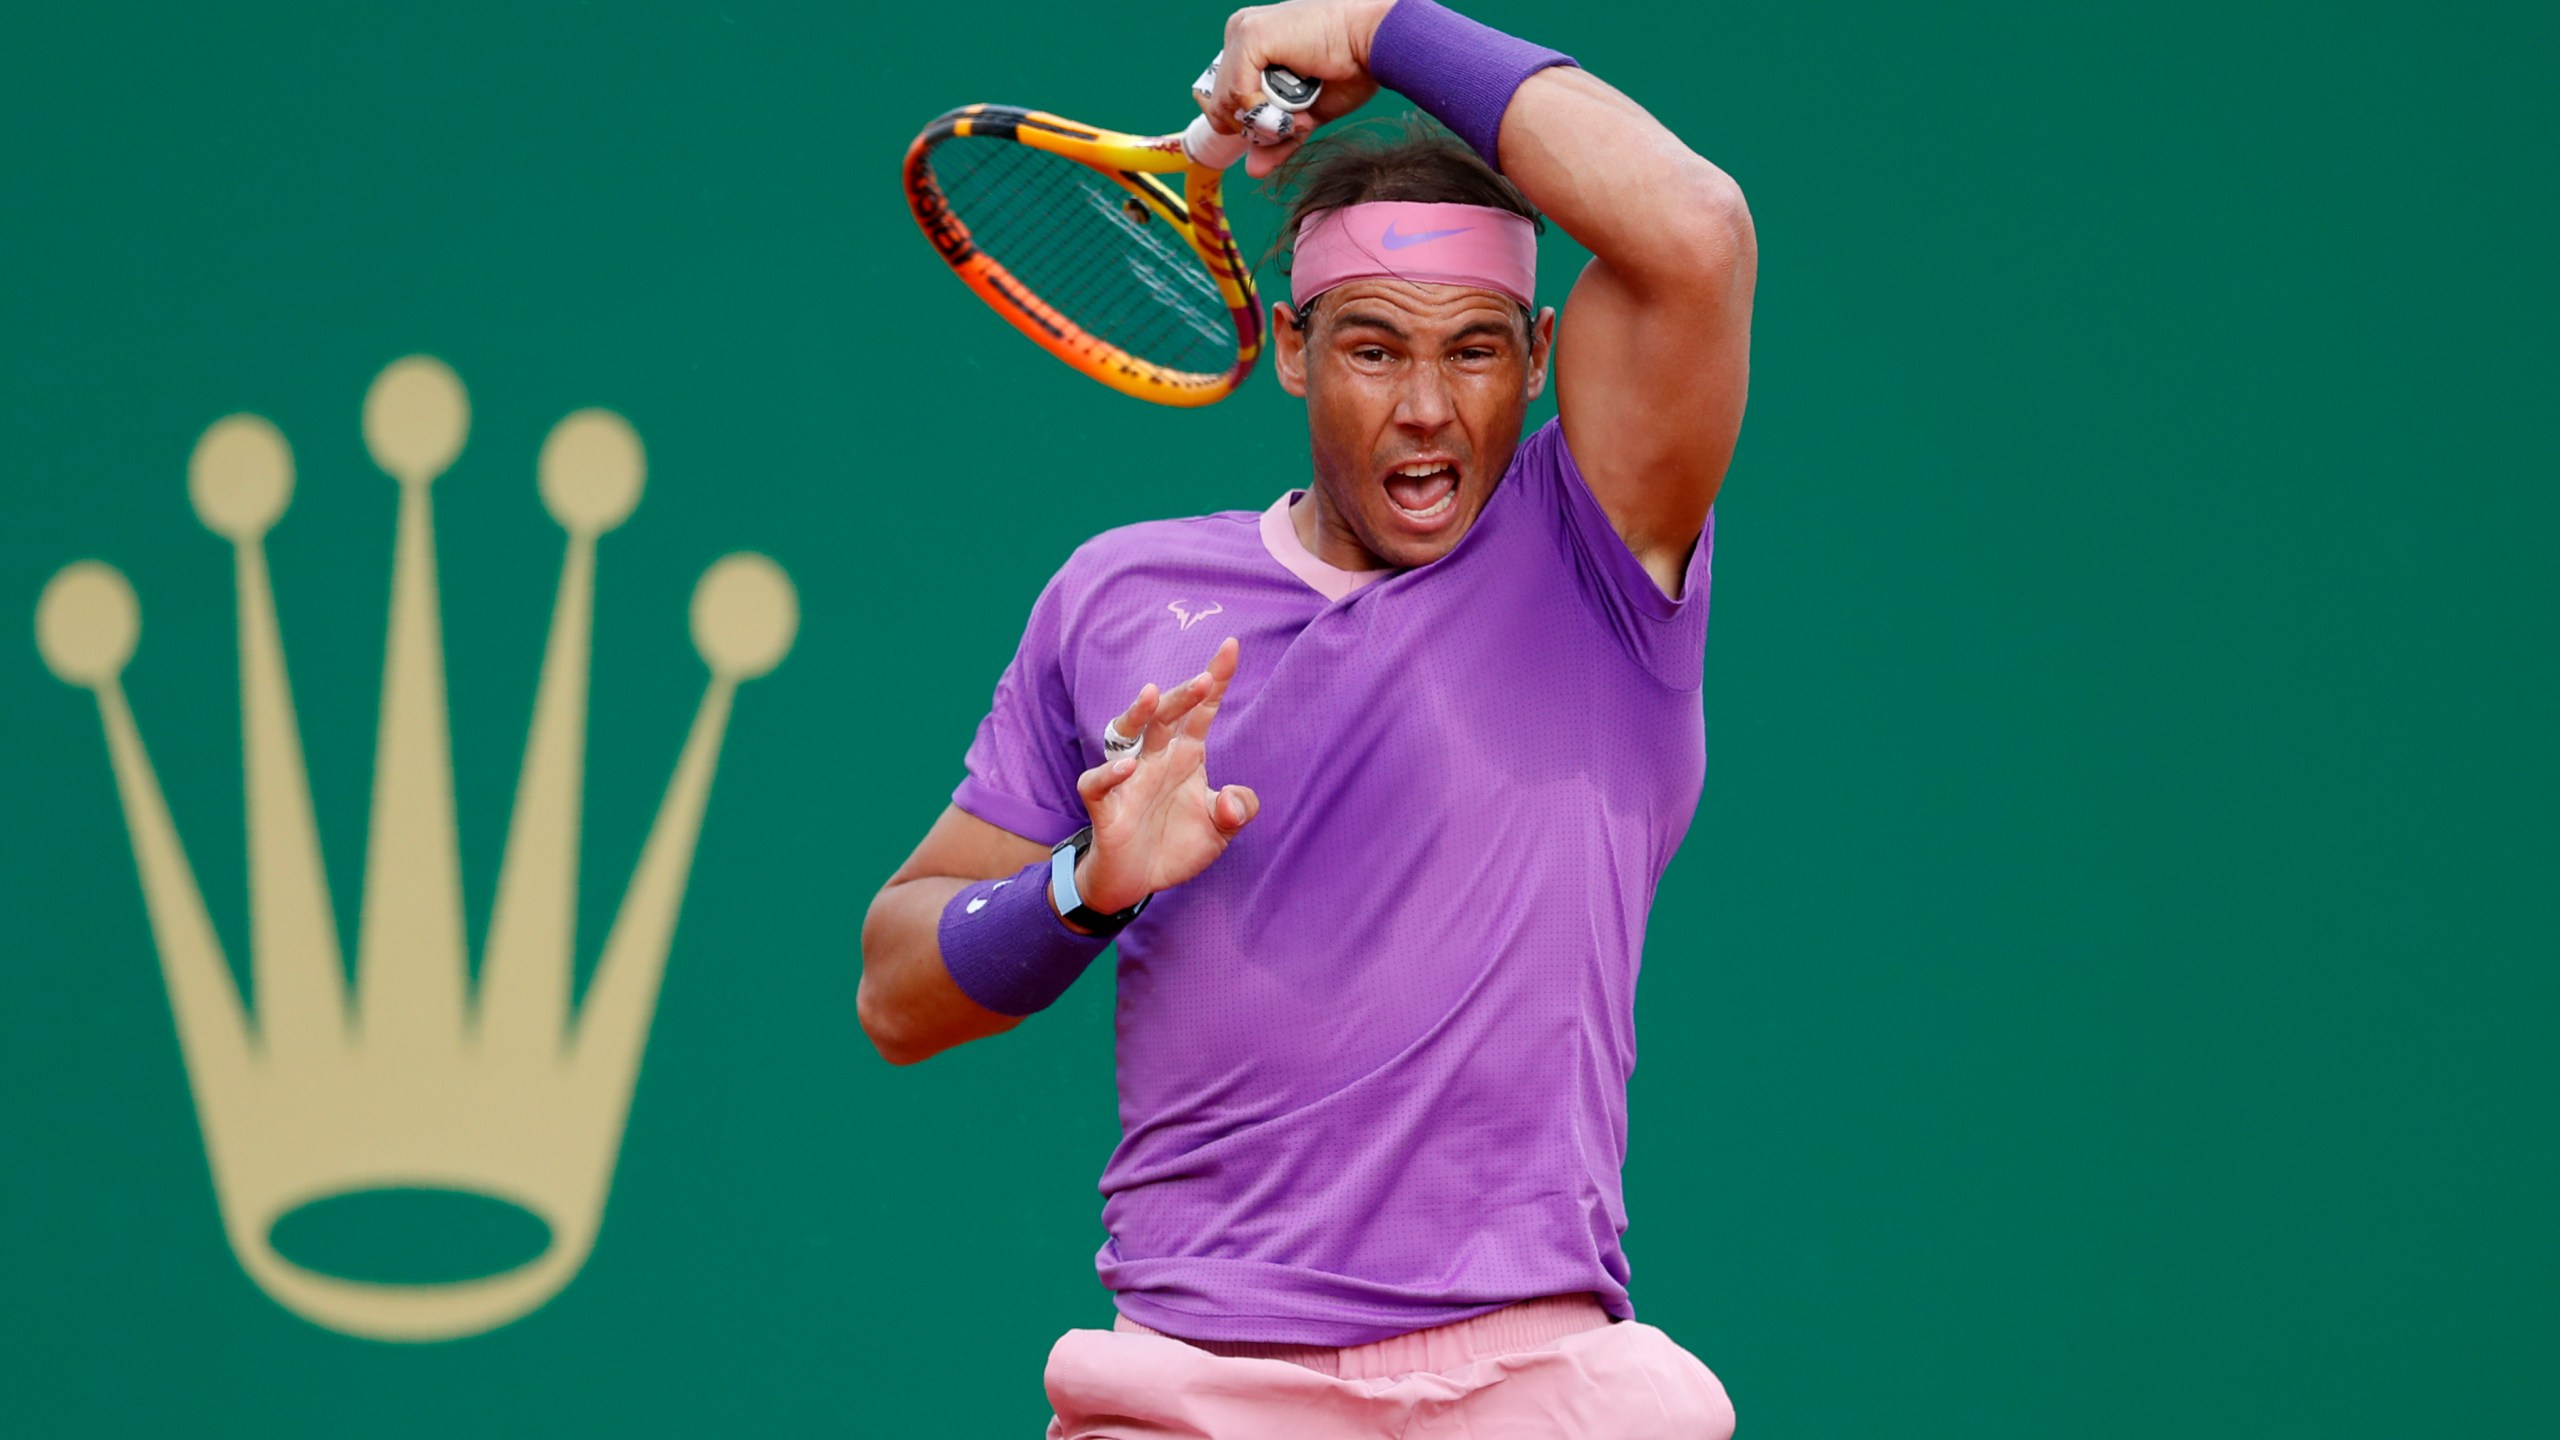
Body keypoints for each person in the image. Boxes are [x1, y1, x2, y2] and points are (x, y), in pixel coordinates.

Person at [859, 1, 1754, 1432]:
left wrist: (1377, 25)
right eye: (1374, 349)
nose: (1425, 408)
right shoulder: (1118, 599)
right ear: (1290, 348)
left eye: (1472, 352)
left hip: (1535, 1387)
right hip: (1199, 1385)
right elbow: (896, 992)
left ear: (1536, 359)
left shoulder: (1599, 554)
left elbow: (1694, 225)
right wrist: (1082, 889)